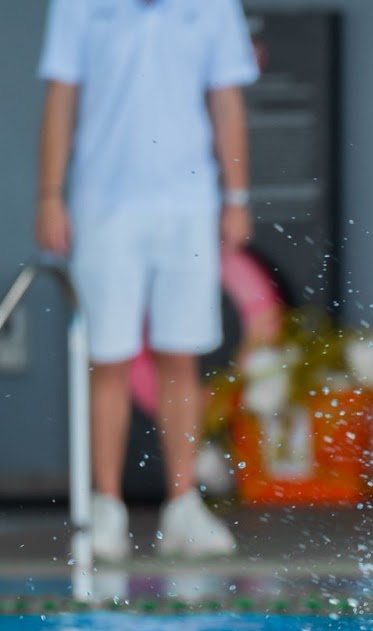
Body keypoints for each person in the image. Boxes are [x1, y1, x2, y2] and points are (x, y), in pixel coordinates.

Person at [35, 0, 259, 561]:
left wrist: (236, 198)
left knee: (180, 355)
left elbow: (226, 101)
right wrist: (49, 195)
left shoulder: (213, 7)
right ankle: (105, 507)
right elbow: (62, 96)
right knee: (108, 357)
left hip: (187, 202)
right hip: (102, 204)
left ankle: (182, 505)